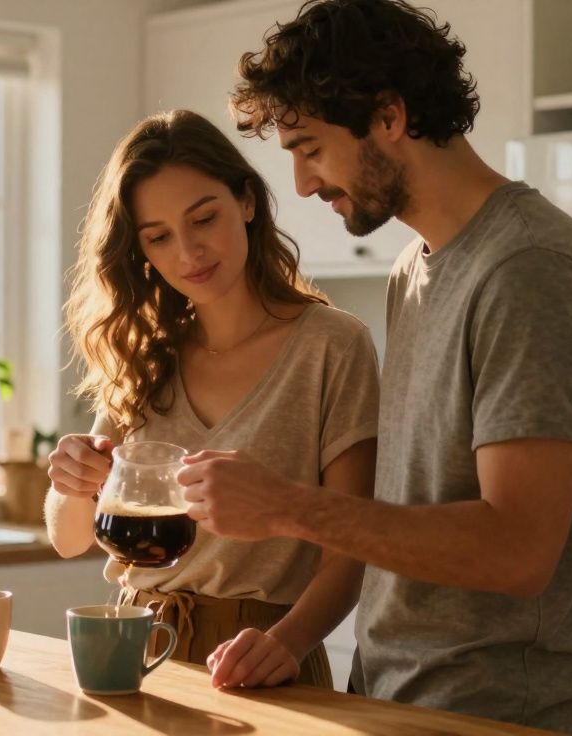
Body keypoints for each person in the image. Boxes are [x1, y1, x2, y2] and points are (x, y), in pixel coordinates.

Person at [177, 1, 572, 733]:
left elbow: (519, 549)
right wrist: (292, 638)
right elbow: (408, 514)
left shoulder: (526, 270)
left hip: (498, 713)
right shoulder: (414, 270)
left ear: (388, 116)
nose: (300, 184)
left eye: (310, 147)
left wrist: (287, 506)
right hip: (393, 696)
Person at [43, 109, 382, 690]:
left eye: (204, 218)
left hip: (266, 660)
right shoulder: (145, 355)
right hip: (133, 650)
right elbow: (68, 537)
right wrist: (70, 480)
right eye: (159, 237)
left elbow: (351, 546)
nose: (188, 252)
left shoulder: (331, 345)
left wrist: (287, 643)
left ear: (246, 202)